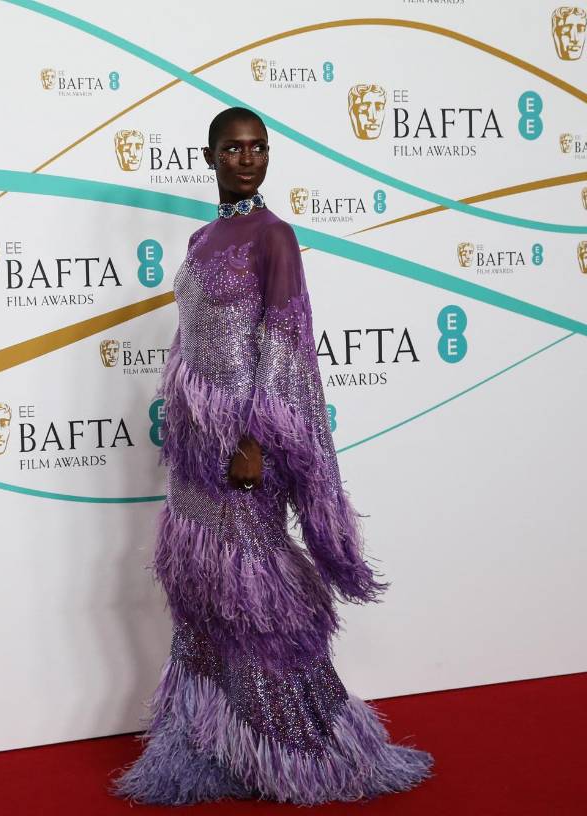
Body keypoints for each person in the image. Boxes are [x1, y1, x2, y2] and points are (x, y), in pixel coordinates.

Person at [110, 107, 433, 805]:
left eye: (258, 148)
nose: (247, 159)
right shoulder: (203, 238)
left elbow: (285, 348)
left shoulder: (275, 237)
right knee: (202, 597)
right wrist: (187, 422)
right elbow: (195, 338)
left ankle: (309, 747)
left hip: (245, 453)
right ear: (211, 157)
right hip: (199, 455)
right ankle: (211, 745)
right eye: (234, 148)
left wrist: (256, 439)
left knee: (260, 600)